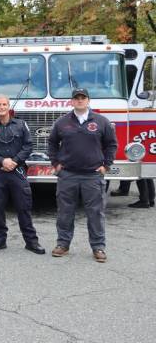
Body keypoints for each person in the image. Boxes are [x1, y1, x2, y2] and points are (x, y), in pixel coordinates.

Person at [48, 88, 118, 263]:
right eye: (76, 98)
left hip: (92, 176)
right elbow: (52, 143)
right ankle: (63, 244)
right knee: (65, 212)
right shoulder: (62, 122)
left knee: (95, 213)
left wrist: (106, 165)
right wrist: (56, 164)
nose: (79, 100)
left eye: (83, 98)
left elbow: (111, 144)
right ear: (71, 101)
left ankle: (98, 247)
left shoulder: (101, 122)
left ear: (88, 100)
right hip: (68, 175)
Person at [0, 95, 45, 254]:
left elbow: (28, 145)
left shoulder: (21, 124)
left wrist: (14, 161)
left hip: (17, 170)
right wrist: (2, 161)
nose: (2, 107)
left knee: (23, 207)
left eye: (4, 104)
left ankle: (31, 242)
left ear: (9, 106)